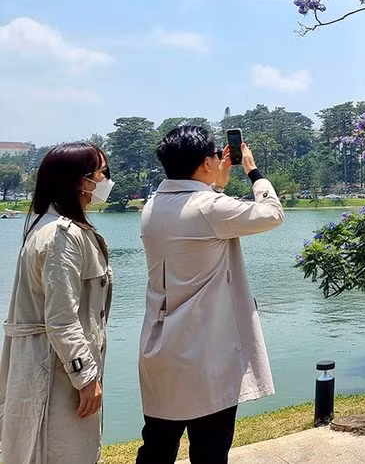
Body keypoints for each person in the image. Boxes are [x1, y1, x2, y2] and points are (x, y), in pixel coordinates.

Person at [135, 126, 284, 464]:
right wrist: (252, 170)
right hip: (206, 357)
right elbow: (273, 214)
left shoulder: (152, 207)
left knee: (157, 448)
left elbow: (198, 208)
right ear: (204, 162)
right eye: (217, 157)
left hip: (161, 352)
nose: (221, 160)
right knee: (210, 453)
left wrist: (215, 179)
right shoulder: (210, 208)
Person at [0, 143, 114, 463]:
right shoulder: (61, 234)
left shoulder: (46, 225)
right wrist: (86, 376)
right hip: (54, 371)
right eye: (103, 173)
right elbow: (62, 317)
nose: (106, 180)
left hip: (49, 364)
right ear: (82, 181)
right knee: (58, 450)